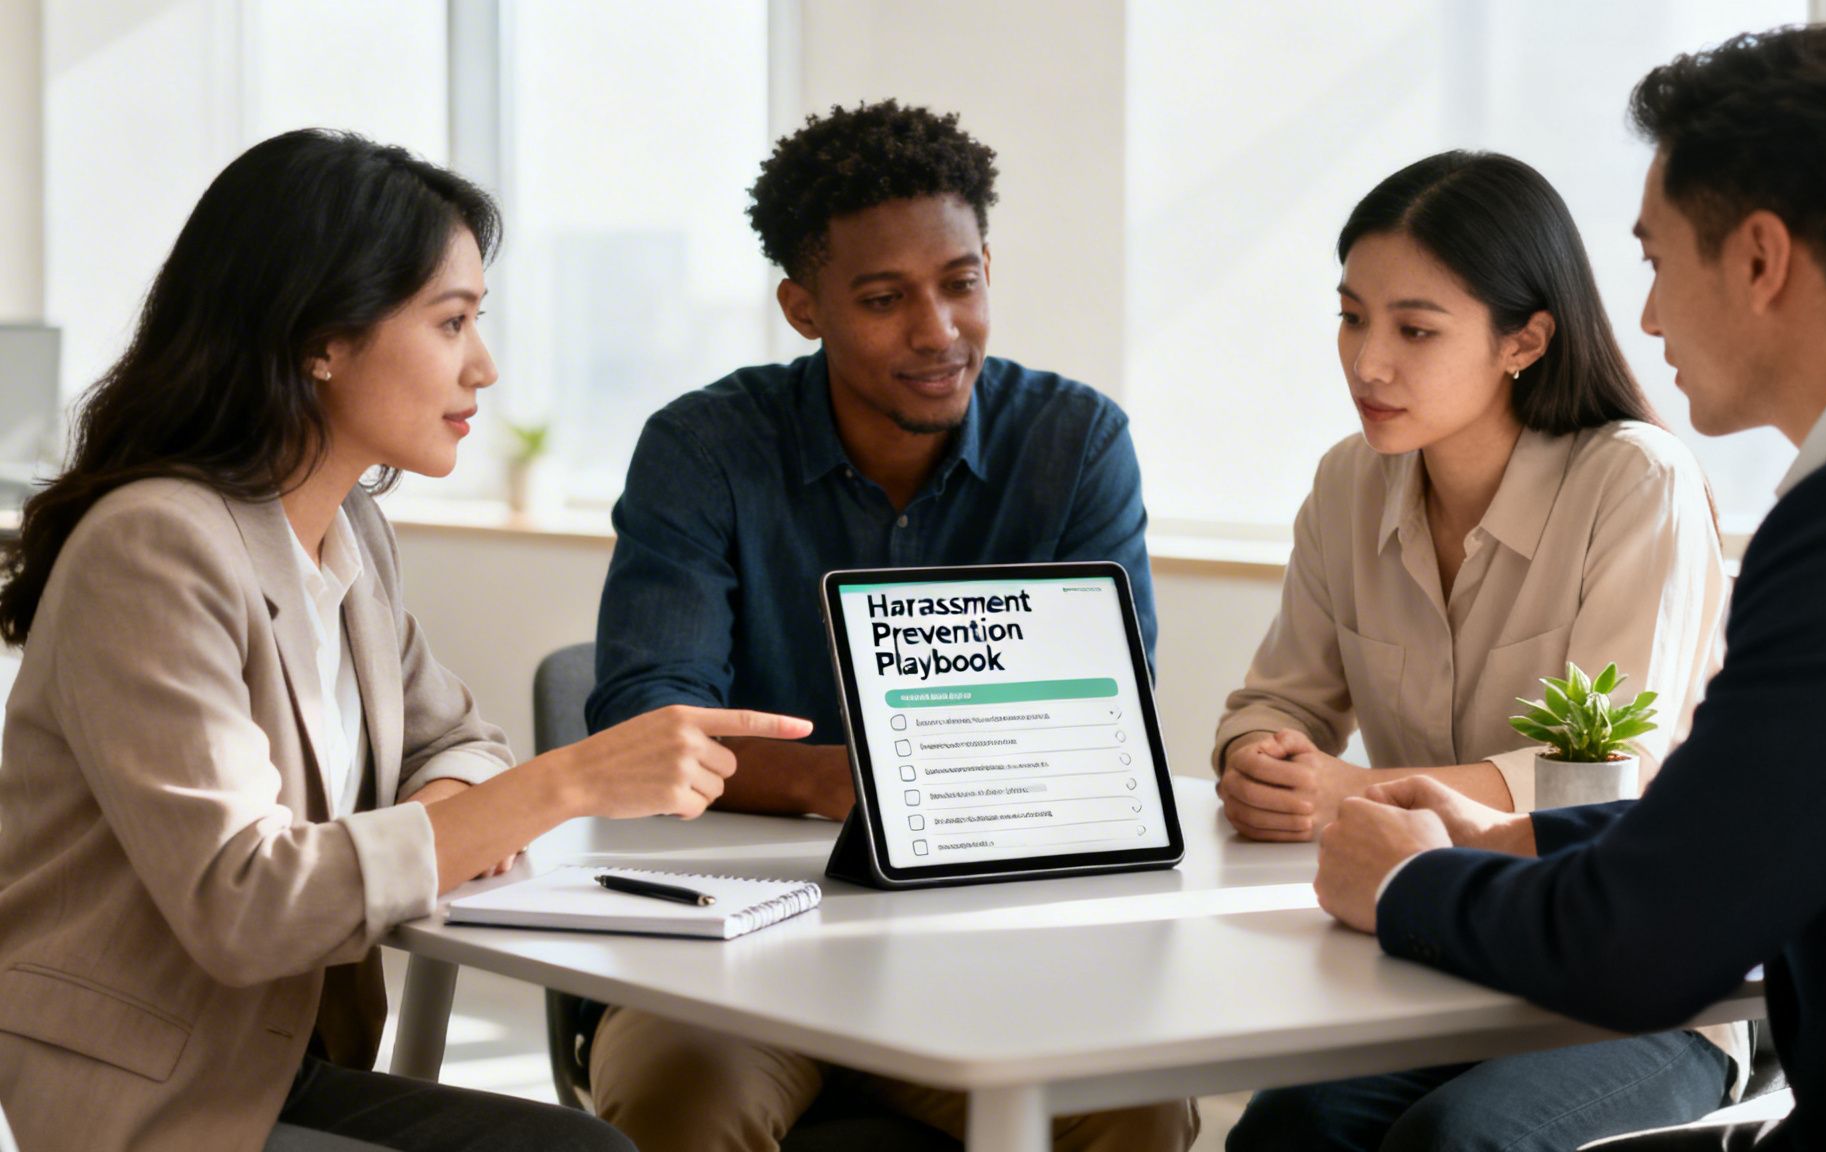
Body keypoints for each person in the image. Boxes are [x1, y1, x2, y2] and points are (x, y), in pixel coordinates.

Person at [0, 129, 811, 1152]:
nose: (483, 365)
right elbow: (246, 903)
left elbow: (458, 742)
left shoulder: (347, 532)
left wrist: (451, 810)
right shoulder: (153, 546)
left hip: (282, 1060)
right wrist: (562, 787)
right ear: (321, 339)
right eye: (451, 321)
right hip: (155, 1096)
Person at [1315, 25, 1826, 1151]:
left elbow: (1646, 940)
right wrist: (1509, 837)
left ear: (1757, 258)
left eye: (1655, 260)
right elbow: (1753, 812)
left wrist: (1410, 885)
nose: (1645, 318)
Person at [583, 101, 1192, 1152]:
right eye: (882, 298)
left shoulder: (1076, 444)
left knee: (1133, 1104)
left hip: (993, 950)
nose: (937, 330)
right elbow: (649, 724)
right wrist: (849, 782)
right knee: (682, 1096)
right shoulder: (703, 450)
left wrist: (923, 788)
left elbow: (1098, 724)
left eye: (960, 282)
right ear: (801, 306)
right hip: (742, 945)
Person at [1217, 152, 1734, 1151]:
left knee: (1462, 1143)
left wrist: (1346, 794)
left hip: (1644, 982)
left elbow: (1611, 780)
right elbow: (1276, 702)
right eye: (1350, 316)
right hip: (1438, 958)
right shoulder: (1346, 484)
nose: (1367, 363)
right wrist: (1261, 760)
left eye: (1414, 329)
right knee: (1288, 1132)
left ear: (1523, 340)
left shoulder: (1634, 483)